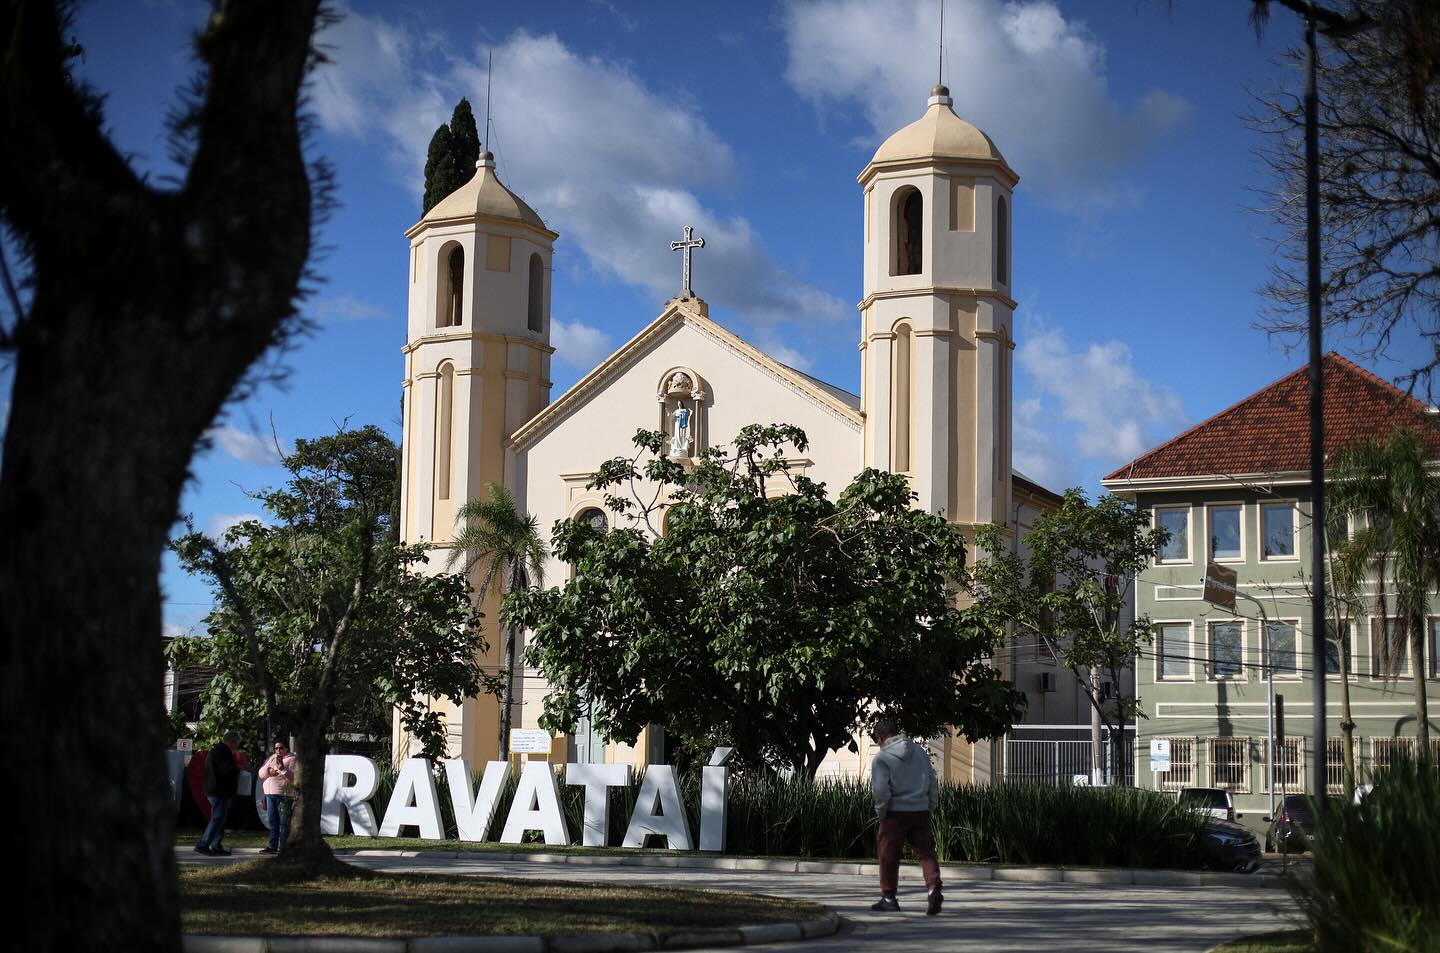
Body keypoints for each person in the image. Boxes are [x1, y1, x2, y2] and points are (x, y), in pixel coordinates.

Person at [869, 719, 943, 915]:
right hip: (920, 810)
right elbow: (932, 782)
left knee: (888, 855)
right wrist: (930, 807)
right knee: (926, 852)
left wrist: (881, 812)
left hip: (895, 812)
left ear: (881, 738)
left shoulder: (882, 758)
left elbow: (881, 790)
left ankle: (889, 897)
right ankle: (933, 888)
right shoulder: (919, 752)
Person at [195, 729, 242, 856]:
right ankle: (203, 844)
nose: (237, 746)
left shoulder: (218, 750)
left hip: (217, 790)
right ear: (232, 741)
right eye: (237, 743)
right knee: (217, 819)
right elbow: (226, 770)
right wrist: (239, 769)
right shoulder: (222, 751)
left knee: (219, 819)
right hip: (219, 791)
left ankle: (216, 845)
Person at [258, 739, 297, 854]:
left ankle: (283, 847)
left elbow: (293, 777)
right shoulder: (272, 758)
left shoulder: (292, 759)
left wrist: (282, 769)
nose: (278, 750)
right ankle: (272, 846)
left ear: (286, 749)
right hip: (270, 793)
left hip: (283, 794)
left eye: (281, 748)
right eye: (276, 748)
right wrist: (269, 771)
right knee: (272, 821)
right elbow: (261, 774)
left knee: (283, 822)